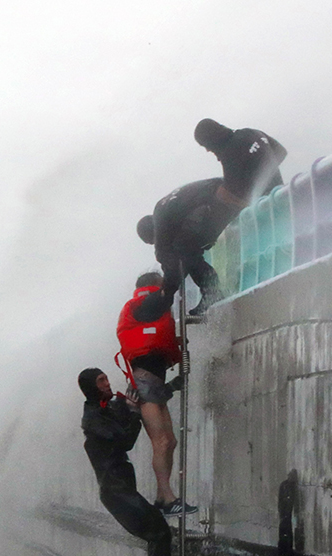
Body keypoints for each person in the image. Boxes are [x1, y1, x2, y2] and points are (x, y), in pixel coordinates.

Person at [77, 367, 201, 556]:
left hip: (122, 489)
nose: (107, 382)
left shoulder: (108, 408)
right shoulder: (92, 419)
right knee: (157, 532)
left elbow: (143, 399)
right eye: (101, 380)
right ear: (92, 387)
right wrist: (133, 413)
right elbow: (126, 440)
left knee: (157, 532)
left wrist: (171, 387)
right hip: (115, 492)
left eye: (106, 378)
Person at [116, 272, 196, 515]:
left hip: (154, 383)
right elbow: (160, 300)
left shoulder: (146, 309)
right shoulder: (143, 304)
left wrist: (172, 384)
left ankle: (164, 498)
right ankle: (166, 497)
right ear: (153, 287)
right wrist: (174, 276)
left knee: (169, 441)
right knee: (160, 442)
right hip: (144, 383)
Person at [136, 179, 235, 314]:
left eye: (152, 242)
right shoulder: (168, 211)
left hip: (218, 197)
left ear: (153, 234)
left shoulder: (162, 225)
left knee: (186, 251)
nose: (155, 243)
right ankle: (211, 292)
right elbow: (180, 265)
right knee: (187, 252)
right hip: (226, 188)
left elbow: (168, 259)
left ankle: (212, 292)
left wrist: (166, 294)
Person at [194, 118, 288, 204]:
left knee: (222, 193)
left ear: (211, 140)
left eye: (205, 145)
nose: (207, 150)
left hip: (268, 205)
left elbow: (230, 193)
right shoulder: (250, 132)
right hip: (281, 193)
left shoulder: (230, 153)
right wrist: (264, 168)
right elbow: (281, 152)